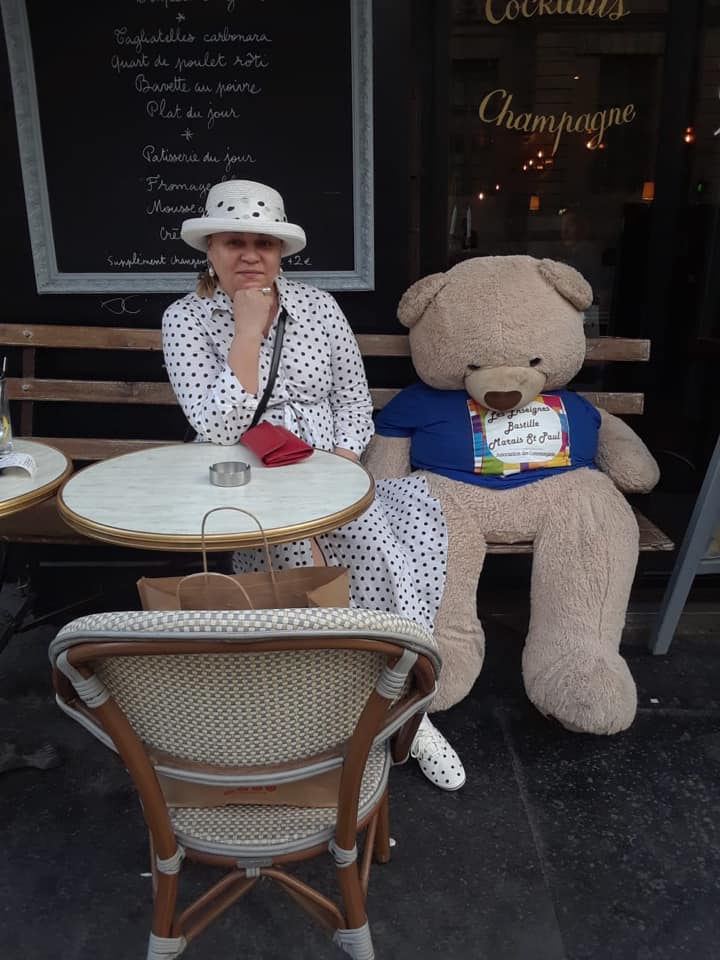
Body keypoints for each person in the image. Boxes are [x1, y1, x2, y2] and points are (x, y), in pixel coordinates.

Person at [162, 179, 465, 791]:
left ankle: (407, 709)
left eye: (264, 243)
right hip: (245, 482)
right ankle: (329, 718)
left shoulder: (320, 308)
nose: (251, 255)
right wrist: (247, 332)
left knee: (385, 560)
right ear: (210, 250)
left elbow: (352, 400)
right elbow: (216, 427)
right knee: (301, 578)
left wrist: (340, 465)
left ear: (281, 252)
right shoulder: (184, 319)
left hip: (331, 470)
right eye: (234, 242)